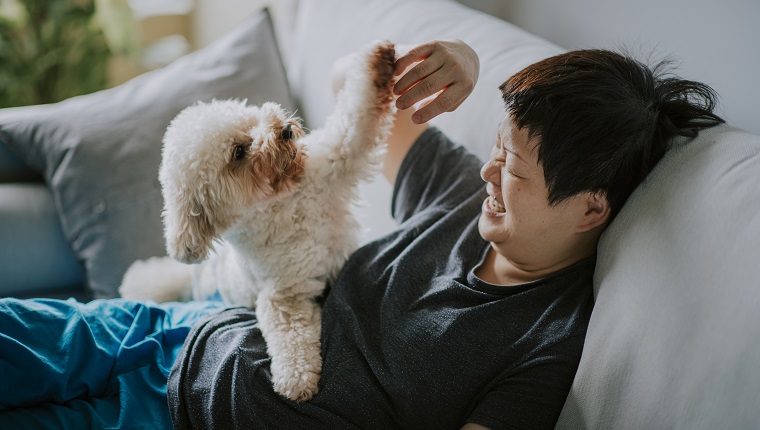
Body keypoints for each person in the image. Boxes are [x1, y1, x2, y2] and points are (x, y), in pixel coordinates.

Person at [0, 39, 723, 430]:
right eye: (497, 148)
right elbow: (357, 79)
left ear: (591, 210)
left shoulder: (542, 347)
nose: (487, 174)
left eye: (515, 172)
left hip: (186, 416)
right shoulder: (456, 195)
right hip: (180, 326)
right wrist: (455, 61)